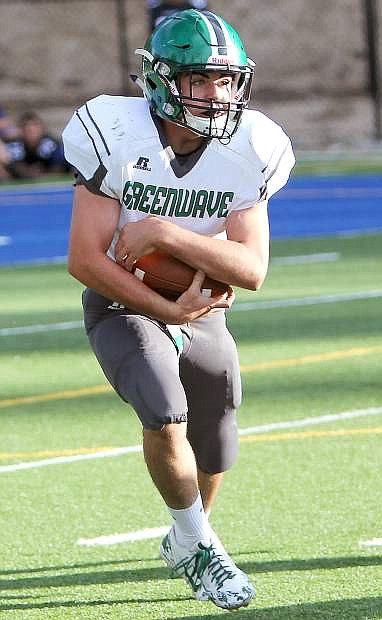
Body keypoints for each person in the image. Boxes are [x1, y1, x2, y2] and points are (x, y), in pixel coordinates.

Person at [62, 9, 294, 610]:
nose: (216, 95)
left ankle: (188, 534)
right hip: (122, 297)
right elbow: (86, 259)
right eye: (200, 80)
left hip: (198, 304)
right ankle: (201, 549)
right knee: (165, 410)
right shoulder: (113, 129)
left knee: (217, 435)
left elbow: (252, 269)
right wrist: (165, 308)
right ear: (163, 80)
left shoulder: (254, 144)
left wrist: (166, 233)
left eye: (226, 80)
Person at [5, 111, 70, 179]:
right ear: (20, 130)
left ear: (42, 129)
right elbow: (11, 167)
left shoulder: (52, 145)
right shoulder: (14, 147)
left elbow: (59, 169)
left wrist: (43, 174)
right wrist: (26, 172)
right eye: (26, 126)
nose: (30, 129)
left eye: (34, 126)